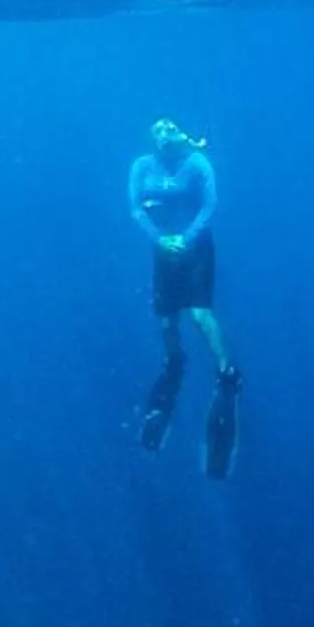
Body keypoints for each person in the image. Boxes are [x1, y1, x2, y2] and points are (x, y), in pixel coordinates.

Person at [127, 118, 242, 476]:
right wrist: (159, 239)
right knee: (165, 320)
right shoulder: (142, 166)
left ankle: (227, 373)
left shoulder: (197, 164)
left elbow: (210, 205)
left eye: (168, 129)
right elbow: (135, 207)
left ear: (178, 135)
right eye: (156, 130)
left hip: (196, 250)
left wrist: (186, 238)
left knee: (198, 314)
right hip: (164, 249)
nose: (162, 135)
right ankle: (174, 363)